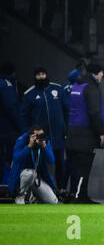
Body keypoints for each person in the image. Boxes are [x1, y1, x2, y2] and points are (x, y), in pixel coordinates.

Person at [19, 67, 69, 195]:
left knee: (60, 162)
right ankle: (44, 191)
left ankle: (61, 189)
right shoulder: (29, 94)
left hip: (59, 134)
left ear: (47, 75)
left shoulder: (58, 89)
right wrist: (29, 133)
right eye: (38, 75)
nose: (41, 77)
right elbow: (24, 116)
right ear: (35, 77)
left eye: (43, 74)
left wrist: (67, 129)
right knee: (42, 164)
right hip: (42, 137)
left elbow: (67, 110)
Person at [66, 63, 104, 204]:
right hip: (85, 134)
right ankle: (78, 196)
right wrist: (102, 132)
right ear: (96, 73)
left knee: (75, 167)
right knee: (84, 168)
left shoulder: (77, 86)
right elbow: (94, 112)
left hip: (72, 133)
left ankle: (77, 194)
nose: (102, 75)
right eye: (101, 72)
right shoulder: (91, 88)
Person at [8, 125, 58, 204]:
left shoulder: (44, 142)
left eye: (41, 135)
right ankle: (20, 195)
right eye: (36, 136)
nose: (39, 138)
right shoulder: (22, 140)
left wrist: (44, 146)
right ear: (30, 136)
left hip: (36, 178)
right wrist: (29, 146)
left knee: (53, 201)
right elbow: (16, 159)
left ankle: (32, 197)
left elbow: (51, 160)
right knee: (30, 173)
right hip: (21, 176)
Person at [0, 62, 21, 184]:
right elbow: (12, 108)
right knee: (8, 159)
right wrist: (21, 127)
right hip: (6, 132)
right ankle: (6, 185)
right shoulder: (6, 85)